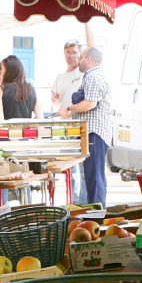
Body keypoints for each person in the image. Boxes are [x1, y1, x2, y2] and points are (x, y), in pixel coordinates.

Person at [60, 46, 113, 208]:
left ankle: (97, 214)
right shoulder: (93, 75)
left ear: (89, 60)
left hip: (94, 132)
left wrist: (69, 110)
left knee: (95, 177)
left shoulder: (92, 76)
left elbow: (90, 102)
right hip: (95, 133)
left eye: (81, 57)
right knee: (93, 176)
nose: (79, 60)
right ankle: (96, 212)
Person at [0, 54, 41, 121]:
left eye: (2, 70)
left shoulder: (0, 90)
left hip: (9, 131)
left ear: (9, 71)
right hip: (26, 130)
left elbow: (0, 122)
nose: (1, 73)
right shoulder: (31, 89)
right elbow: (41, 119)